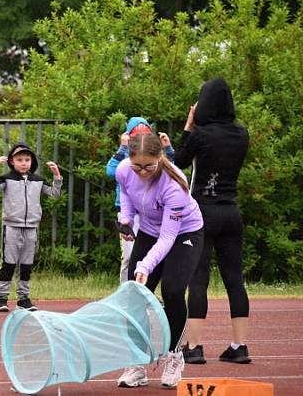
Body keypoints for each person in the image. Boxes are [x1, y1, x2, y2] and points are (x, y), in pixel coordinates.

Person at [115, 132, 203, 389]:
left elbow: (167, 238)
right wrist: (126, 218)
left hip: (184, 233)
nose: (142, 171)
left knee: (173, 291)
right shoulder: (124, 169)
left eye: (148, 166)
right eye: (137, 166)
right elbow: (127, 193)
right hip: (150, 230)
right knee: (135, 294)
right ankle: (136, 363)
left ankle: (174, 356)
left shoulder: (174, 185)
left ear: (160, 157)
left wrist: (144, 265)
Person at [174, 78, 251, 365]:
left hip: (202, 212)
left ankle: (194, 346)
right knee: (235, 279)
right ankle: (239, 345)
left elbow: (179, 162)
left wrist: (188, 127)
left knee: (199, 278)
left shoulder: (200, 135)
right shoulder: (242, 135)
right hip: (231, 211)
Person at [0, 142, 62, 312]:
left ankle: (23, 298)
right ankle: (1, 298)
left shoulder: (38, 180)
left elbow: (55, 194)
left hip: (31, 227)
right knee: (8, 262)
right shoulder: (7, 179)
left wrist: (57, 176)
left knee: (26, 264)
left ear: (32, 161)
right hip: (12, 226)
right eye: (19, 159)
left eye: (27, 159)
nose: (23, 163)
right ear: (12, 161)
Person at [106, 118, 175, 282]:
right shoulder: (125, 159)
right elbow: (110, 171)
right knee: (130, 255)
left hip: (150, 210)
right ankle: (126, 292)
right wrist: (123, 148)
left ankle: (146, 290)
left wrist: (168, 149)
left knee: (151, 253)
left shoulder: (153, 156)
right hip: (129, 211)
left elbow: (172, 171)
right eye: (136, 137)